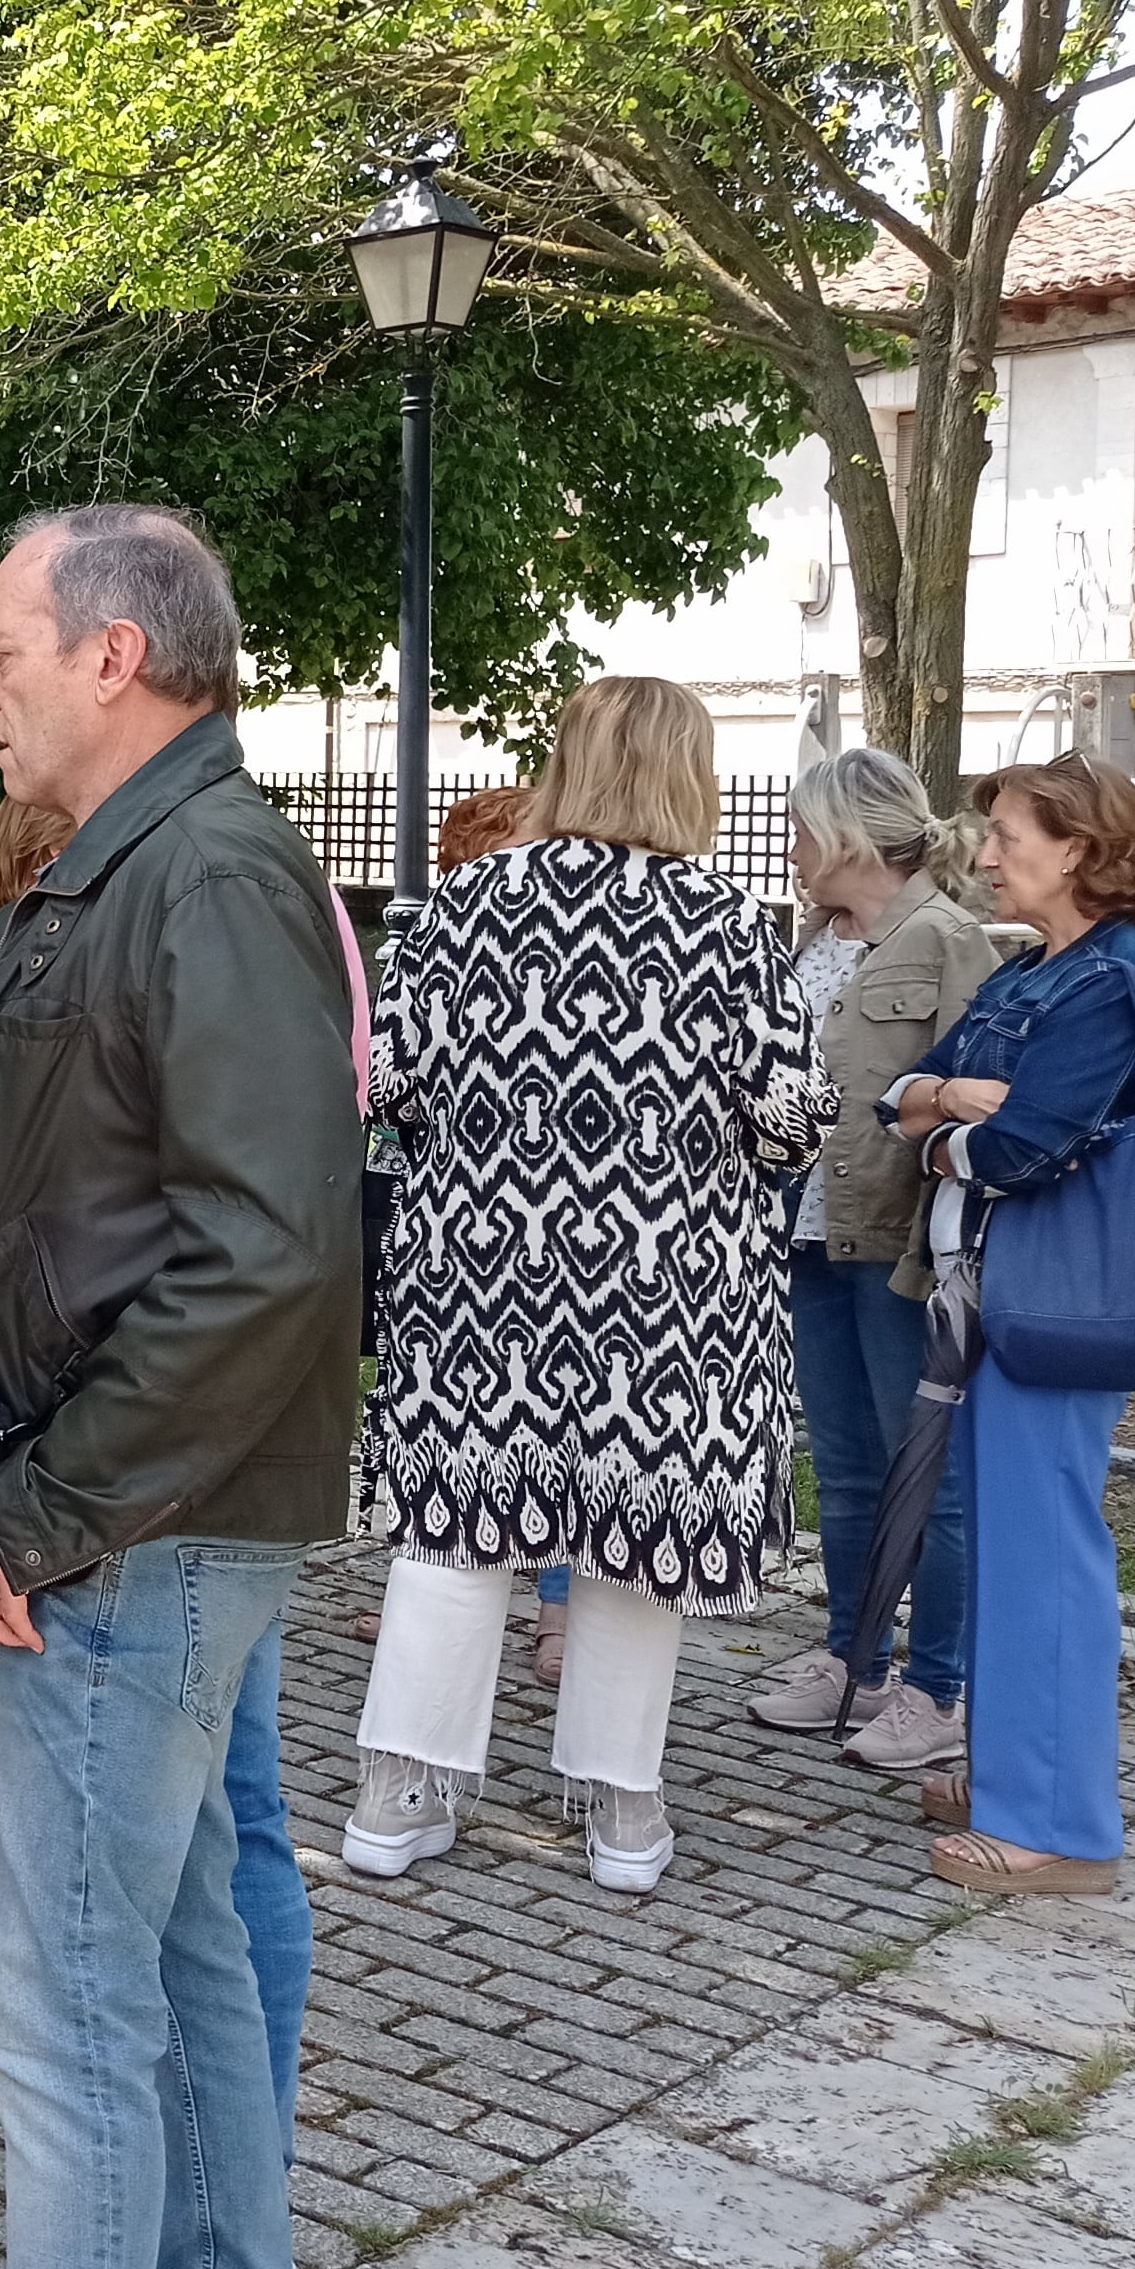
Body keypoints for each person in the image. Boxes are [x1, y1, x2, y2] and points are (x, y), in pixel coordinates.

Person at [0, 506, 359, 2269]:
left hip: (137, 1529)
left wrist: (51, 1500)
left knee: (67, 2001)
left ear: (112, 654)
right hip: (134, 1509)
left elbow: (268, 1250)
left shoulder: (210, 874)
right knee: (177, 1983)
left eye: (4, 645)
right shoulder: (139, 865)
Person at [348, 677, 831, 1898]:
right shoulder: (728, 924)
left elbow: (385, 1086)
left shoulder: (459, 904)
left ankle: (395, 1795)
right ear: (688, 775)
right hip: (666, 1284)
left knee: (453, 1528)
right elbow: (789, 1121)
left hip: (477, 1274)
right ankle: (621, 1810)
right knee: (635, 1541)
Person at [889, 753, 1135, 1894]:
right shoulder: (1038, 970)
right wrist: (940, 1106)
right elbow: (902, 1088)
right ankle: (1016, 1768)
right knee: (1017, 1544)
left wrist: (935, 1128)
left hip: (1056, 1295)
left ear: (1076, 849)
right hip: (998, 1288)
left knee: (1045, 1555)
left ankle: (1059, 1827)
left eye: (1010, 832)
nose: (988, 850)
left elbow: (1025, 1145)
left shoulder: (1114, 980)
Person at [745, 748, 998, 1768]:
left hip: (901, 1252)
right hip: (808, 1236)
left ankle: (938, 1689)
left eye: (803, 829)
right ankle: (854, 1662)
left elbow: (978, 1093)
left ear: (850, 835)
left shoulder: (947, 939)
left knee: (927, 1476)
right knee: (846, 1470)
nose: (792, 848)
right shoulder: (812, 937)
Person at [426, 785, 572, 1686]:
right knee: (487, 1428)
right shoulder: (457, 936)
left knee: (560, 1428)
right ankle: (448, 1603)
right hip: (477, 1230)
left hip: (564, 1226)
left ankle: (558, 1609)